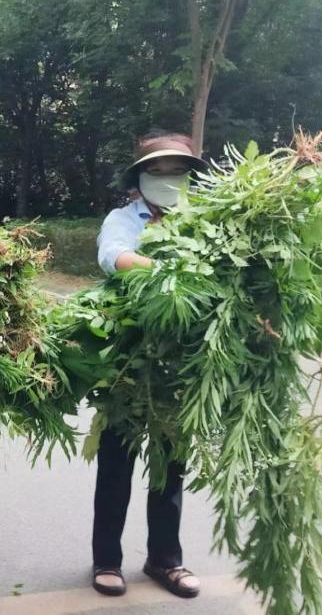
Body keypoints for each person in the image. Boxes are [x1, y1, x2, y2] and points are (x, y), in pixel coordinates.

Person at [91, 132, 207, 599]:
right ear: (139, 179)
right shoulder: (124, 218)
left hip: (179, 363)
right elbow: (112, 256)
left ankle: (165, 560)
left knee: (169, 466)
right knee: (116, 463)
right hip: (126, 359)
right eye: (157, 171)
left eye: (177, 170)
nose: (167, 179)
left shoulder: (207, 223)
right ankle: (106, 560)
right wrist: (165, 271)